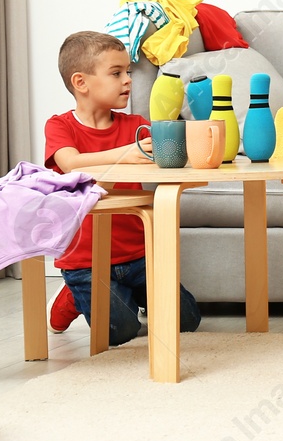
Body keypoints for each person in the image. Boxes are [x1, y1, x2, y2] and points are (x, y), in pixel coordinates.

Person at [44, 31, 203, 346]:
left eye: (128, 72)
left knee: (187, 321)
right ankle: (73, 296)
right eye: (116, 73)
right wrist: (124, 154)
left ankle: (125, 294)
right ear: (81, 82)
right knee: (120, 333)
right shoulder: (60, 126)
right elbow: (72, 163)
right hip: (86, 262)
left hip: (138, 255)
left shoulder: (136, 126)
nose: (128, 80)